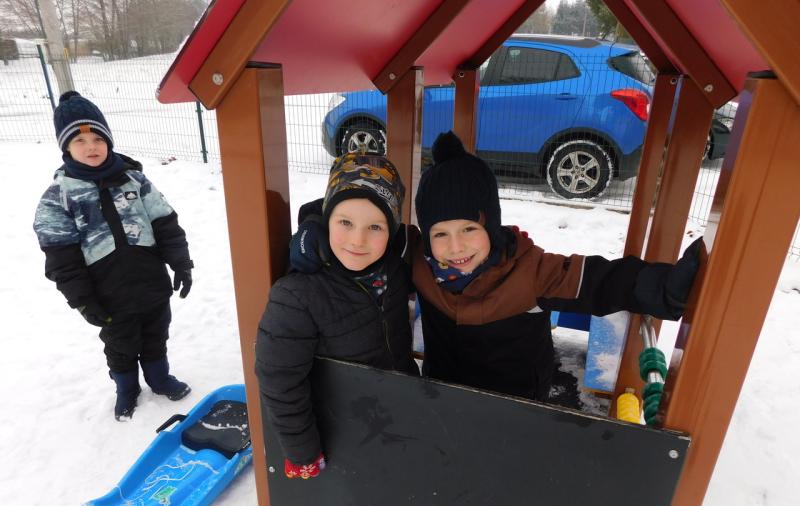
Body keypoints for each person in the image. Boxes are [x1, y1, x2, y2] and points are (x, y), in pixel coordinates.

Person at [290, 131, 701, 404]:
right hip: (444, 392)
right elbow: (361, 218)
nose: (455, 247)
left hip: (519, 401)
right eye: (441, 233)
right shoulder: (417, 258)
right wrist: (314, 225)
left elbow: (601, 281)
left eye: (469, 229)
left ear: (492, 225)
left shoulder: (529, 270)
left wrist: (666, 288)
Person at [255, 152, 418, 480]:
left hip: (395, 411)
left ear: (392, 232)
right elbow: (280, 380)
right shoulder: (298, 295)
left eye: (375, 226)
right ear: (326, 219)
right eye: (345, 222)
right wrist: (303, 452)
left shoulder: (395, 269)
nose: (358, 240)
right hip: (340, 430)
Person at [33, 91, 193, 421]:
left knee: (156, 335)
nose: (90, 146)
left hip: (151, 284)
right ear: (66, 148)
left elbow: (165, 223)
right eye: (79, 140)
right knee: (121, 345)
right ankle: (126, 389)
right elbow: (62, 260)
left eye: (97, 138)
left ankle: (159, 379)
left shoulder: (135, 180)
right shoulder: (58, 198)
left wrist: (180, 262)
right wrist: (82, 300)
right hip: (107, 295)